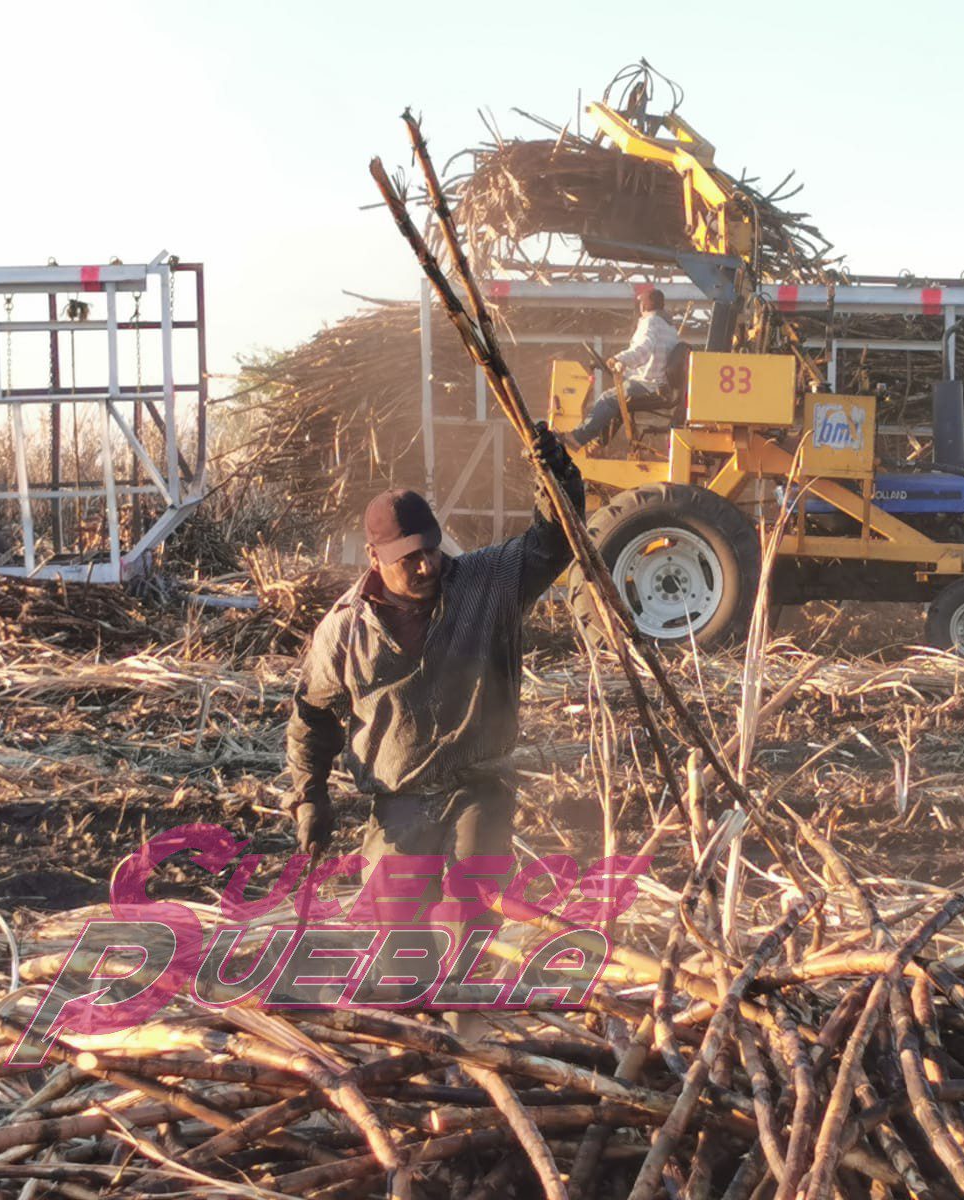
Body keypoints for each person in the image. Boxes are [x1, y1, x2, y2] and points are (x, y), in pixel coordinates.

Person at [282, 423, 586, 997]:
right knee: (395, 943)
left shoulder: (484, 584)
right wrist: (310, 795)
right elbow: (313, 716)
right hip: (400, 799)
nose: (425, 567)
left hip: (478, 783)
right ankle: (414, 1032)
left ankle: (465, 1021)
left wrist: (557, 478)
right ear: (374, 557)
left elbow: (554, 543)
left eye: (430, 551)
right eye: (407, 559)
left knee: (471, 908)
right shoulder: (345, 630)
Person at [567, 288, 680, 447]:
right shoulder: (670, 328)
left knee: (608, 398)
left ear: (646, 304)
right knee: (618, 399)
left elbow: (643, 350)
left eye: (641, 302)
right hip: (658, 383)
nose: (639, 305)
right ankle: (597, 444)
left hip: (649, 384)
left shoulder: (651, 321)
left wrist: (619, 359)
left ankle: (577, 438)